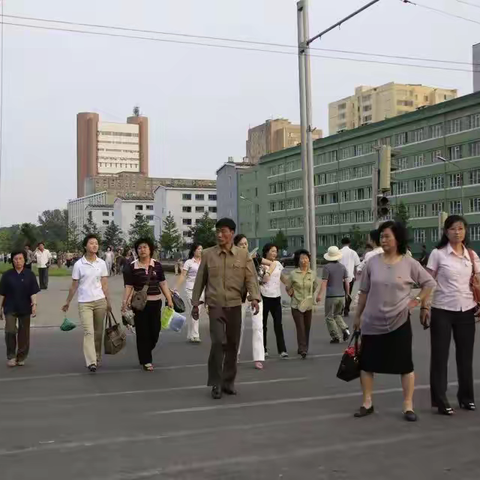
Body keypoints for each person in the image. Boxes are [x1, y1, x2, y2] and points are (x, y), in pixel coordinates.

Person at [353, 221, 436, 422]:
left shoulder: (409, 263)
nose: (383, 240)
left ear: (398, 238)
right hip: (372, 321)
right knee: (367, 364)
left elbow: (430, 283)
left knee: (405, 364)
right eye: (381, 236)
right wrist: (358, 316)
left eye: (387, 236)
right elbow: (363, 292)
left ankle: (408, 405)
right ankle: (367, 402)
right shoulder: (372, 262)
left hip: (399, 321)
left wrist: (416, 301)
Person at [191, 218, 260, 399]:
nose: (219, 235)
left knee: (232, 344)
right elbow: (200, 279)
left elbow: (250, 278)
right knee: (217, 342)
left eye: (223, 231)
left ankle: (228, 382)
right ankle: (216, 383)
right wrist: (195, 303)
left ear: (232, 233)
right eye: (217, 232)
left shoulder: (243, 255)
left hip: (235, 304)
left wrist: (254, 298)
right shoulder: (208, 254)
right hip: (215, 305)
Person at [426, 215, 480, 415]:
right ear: (446, 232)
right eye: (453, 229)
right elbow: (427, 281)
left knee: (465, 357)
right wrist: (423, 305)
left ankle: (466, 398)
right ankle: (440, 400)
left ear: (465, 231)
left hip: (466, 310)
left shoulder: (472, 256)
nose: (457, 232)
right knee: (440, 357)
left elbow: (478, 282)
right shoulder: (438, 254)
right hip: (442, 311)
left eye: (461, 228)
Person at [122, 238, 174, 371]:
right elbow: (129, 286)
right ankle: (146, 360)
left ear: (150, 249)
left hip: (156, 303)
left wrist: (169, 299)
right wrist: (125, 301)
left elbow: (163, 283)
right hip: (139, 305)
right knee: (142, 332)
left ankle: (145, 351)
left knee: (155, 331)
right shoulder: (132, 266)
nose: (142, 250)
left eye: (145, 247)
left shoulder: (157, 265)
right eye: (139, 248)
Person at [62, 235, 112, 373]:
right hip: (85, 303)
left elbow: (105, 284)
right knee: (88, 332)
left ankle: (97, 356)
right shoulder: (79, 264)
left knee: (98, 332)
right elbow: (74, 285)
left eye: (96, 243)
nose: (94, 246)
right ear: (85, 246)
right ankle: (91, 362)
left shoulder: (101, 263)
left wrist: (108, 301)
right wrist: (67, 302)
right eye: (91, 243)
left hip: (100, 301)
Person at [234, 235, 269, 370]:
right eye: (241, 244)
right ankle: (235, 354)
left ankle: (258, 357)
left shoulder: (254, 259)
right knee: (238, 326)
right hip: (240, 296)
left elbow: (264, 275)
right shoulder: (234, 260)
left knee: (258, 326)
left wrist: (263, 269)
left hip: (255, 295)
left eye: (246, 243)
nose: (244, 246)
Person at [0, 250, 40, 367]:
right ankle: (11, 356)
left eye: (20, 259)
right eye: (16, 259)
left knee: (24, 333)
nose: (18, 261)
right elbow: (2, 293)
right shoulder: (7, 275)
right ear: (12, 260)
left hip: (25, 307)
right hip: (10, 307)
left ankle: (21, 356)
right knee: (10, 331)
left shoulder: (29, 274)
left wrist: (34, 304)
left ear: (24, 260)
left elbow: (33, 292)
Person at [258, 241, 288, 359]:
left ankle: (282, 350)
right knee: (263, 325)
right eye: (272, 251)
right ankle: (263, 349)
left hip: (276, 297)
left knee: (278, 324)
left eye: (276, 251)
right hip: (264, 297)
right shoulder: (260, 265)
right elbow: (262, 280)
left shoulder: (278, 264)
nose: (274, 253)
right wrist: (266, 273)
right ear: (266, 252)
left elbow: (282, 278)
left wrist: (290, 285)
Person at [286, 249, 319, 358]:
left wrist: (310, 297)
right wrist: (290, 293)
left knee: (307, 327)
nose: (304, 260)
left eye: (306, 258)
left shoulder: (312, 273)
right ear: (298, 261)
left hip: (308, 304)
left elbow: (314, 286)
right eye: (302, 258)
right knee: (300, 327)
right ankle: (302, 348)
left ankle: (305, 346)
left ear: (309, 260)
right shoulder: (293, 274)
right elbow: (288, 287)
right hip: (296, 304)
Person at [318, 246, 350, 343]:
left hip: (331, 296)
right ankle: (345, 329)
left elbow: (324, 282)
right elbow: (347, 282)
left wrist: (319, 295)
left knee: (329, 316)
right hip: (341, 295)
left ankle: (335, 336)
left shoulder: (327, 267)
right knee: (337, 314)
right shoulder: (343, 267)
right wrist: (347, 294)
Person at [174, 243, 203, 343]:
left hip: (201, 290)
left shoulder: (204, 262)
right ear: (194, 251)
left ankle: (190, 334)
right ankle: (195, 335)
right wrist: (176, 288)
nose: (200, 251)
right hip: (190, 290)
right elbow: (183, 275)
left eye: (201, 249)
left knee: (195, 312)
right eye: (199, 249)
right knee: (195, 311)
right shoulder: (189, 262)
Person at [339, 237, 360, 316]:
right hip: (350, 276)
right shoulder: (353, 252)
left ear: (342, 243)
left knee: (340, 294)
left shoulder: (339, 252)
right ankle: (346, 309)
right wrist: (355, 275)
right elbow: (357, 265)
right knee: (348, 293)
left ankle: (340, 309)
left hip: (340, 277)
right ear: (349, 243)